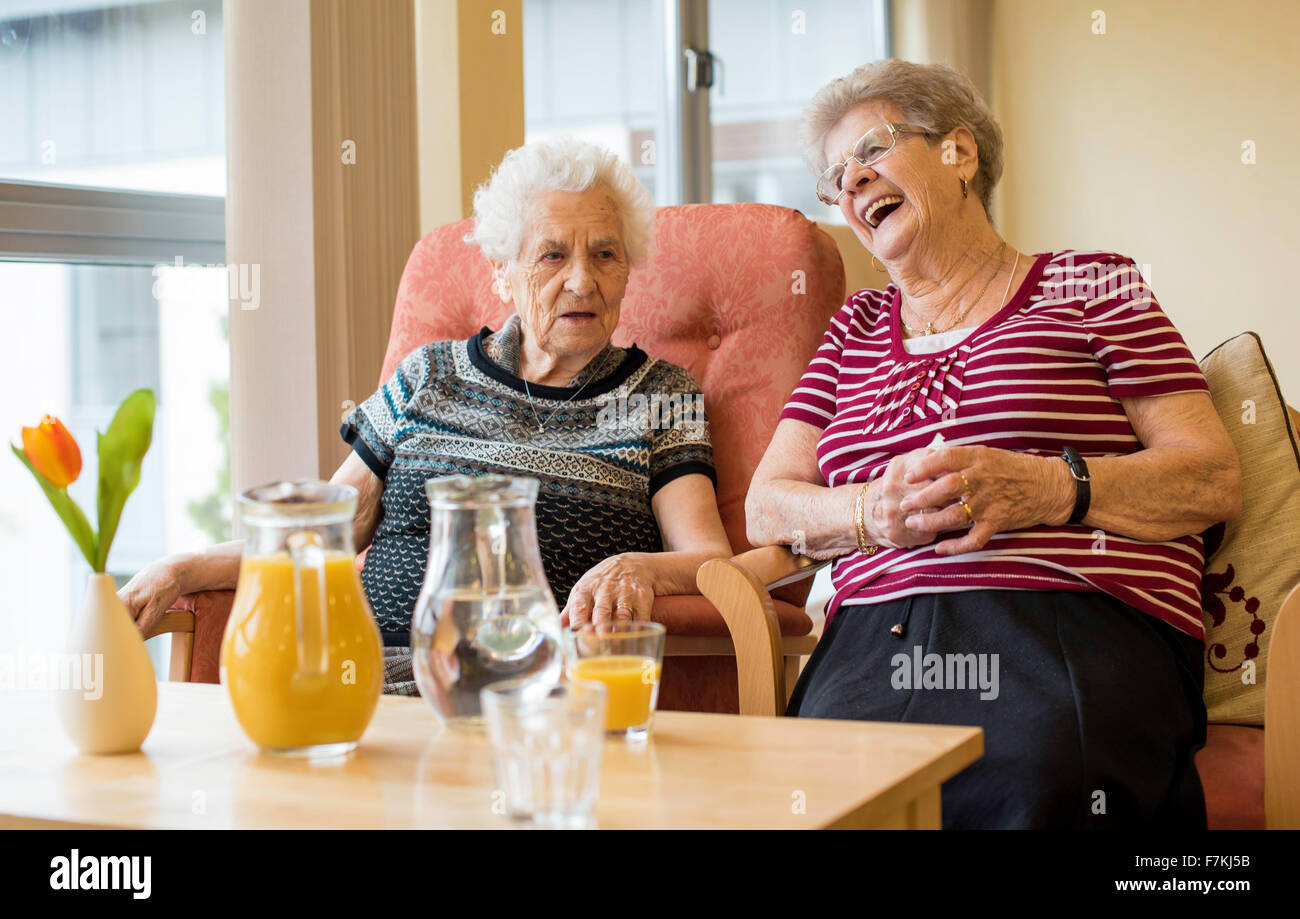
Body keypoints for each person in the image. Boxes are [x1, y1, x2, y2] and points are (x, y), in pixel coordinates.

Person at [745, 59, 1241, 828]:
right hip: (878, 636)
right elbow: (768, 506)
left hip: (1068, 618)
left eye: (871, 152)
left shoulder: (1092, 285)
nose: (851, 183)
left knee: (1030, 777)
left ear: (960, 153)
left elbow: (1210, 478)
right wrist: (874, 511)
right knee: (814, 794)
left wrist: (1050, 488)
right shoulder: (850, 331)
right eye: (835, 177)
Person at [121, 137, 732, 693]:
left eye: (605, 254)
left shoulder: (660, 395)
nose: (582, 280)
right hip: (361, 689)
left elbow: (711, 559)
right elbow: (324, 533)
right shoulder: (429, 375)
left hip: (520, 700)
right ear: (501, 272)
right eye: (552, 256)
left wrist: (635, 569)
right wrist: (181, 567)